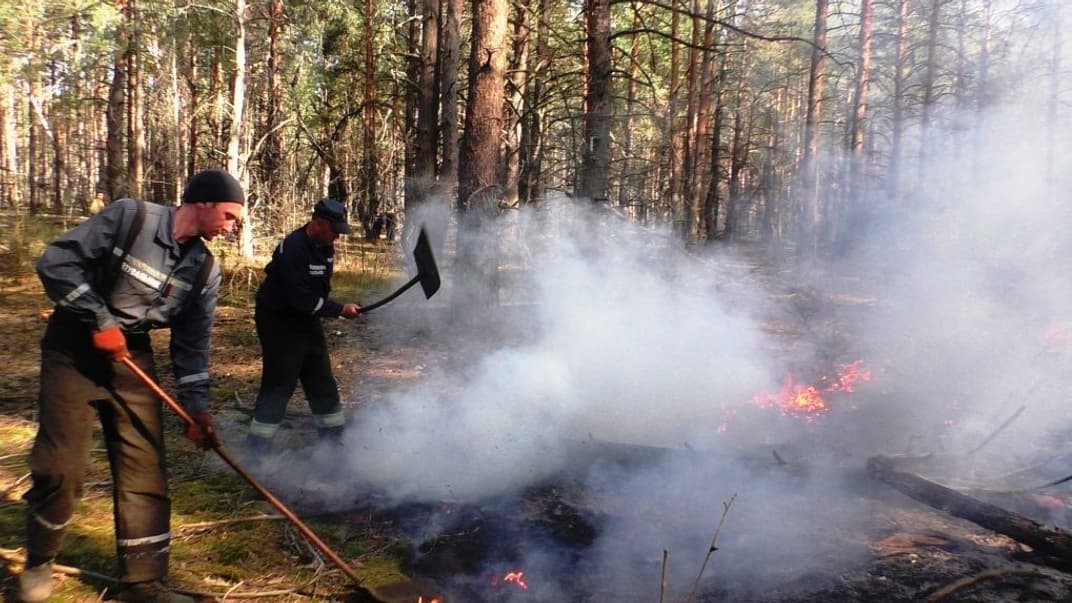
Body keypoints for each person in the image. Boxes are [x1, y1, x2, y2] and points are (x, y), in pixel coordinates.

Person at [19, 169, 244, 602]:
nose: (233, 227)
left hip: (131, 356)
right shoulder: (132, 218)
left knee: (144, 464)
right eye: (231, 216)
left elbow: (192, 345)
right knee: (60, 465)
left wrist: (197, 409)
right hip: (74, 346)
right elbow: (55, 262)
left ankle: (142, 582)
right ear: (203, 203)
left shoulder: (205, 270)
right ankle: (39, 559)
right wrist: (97, 318)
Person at [244, 198, 360, 458]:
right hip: (279, 321)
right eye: (334, 231)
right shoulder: (293, 249)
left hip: (306, 319)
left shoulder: (326, 248)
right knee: (279, 383)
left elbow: (315, 294)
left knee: (321, 378)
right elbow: (299, 298)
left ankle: (333, 443)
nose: (337, 238)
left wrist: (332, 309)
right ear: (318, 224)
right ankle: (255, 453)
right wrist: (339, 310)